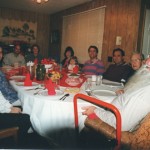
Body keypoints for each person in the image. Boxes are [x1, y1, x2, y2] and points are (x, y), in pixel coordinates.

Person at [81, 58, 150, 132]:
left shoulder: (144, 95)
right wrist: (123, 94)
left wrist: (95, 111)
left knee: (81, 109)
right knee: (90, 98)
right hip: (111, 111)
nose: (147, 61)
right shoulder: (145, 84)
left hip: (112, 122)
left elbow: (121, 124)